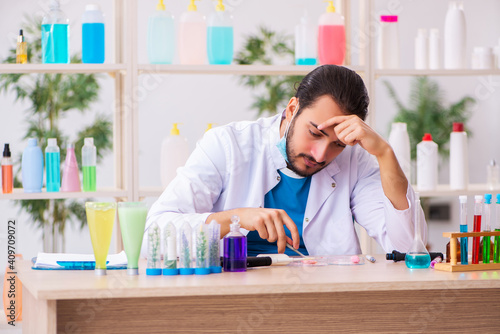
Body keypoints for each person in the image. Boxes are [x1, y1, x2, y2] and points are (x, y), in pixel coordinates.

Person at [145, 65, 426, 257]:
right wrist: (237, 219)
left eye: (337, 145)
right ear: (292, 109)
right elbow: (154, 236)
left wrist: (385, 155)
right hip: (229, 299)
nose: (320, 155)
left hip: (321, 303)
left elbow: (409, 247)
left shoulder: (356, 161)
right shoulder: (226, 145)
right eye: (315, 133)